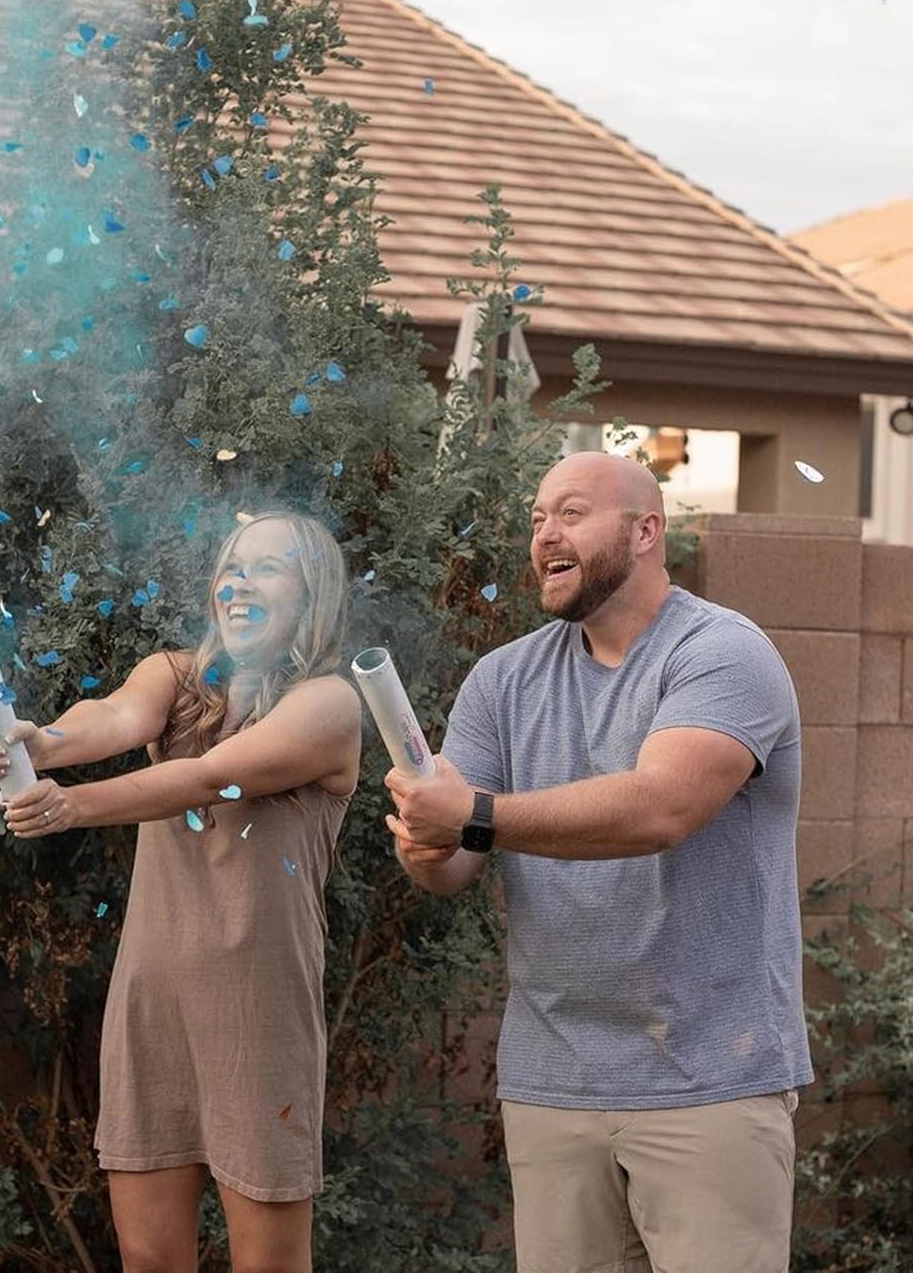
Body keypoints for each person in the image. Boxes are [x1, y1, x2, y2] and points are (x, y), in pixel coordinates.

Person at [385, 452, 812, 1273]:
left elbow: (661, 809)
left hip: (709, 1082)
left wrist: (473, 815)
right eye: (537, 518)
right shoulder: (502, 680)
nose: (545, 533)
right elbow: (454, 867)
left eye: (572, 513)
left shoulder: (724, 653)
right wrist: (426, 843)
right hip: (553, 1084)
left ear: (645, 531)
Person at [0, 511, 361, 1273]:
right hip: (154, 997)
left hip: (259, 1007)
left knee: (268, 1265)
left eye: (268, 569)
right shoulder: (178, 677)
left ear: (312, 595)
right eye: (232, 568)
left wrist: (72, 805)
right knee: (148, 1256)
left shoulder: (329, 706)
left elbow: (212, 777)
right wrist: (41, 741)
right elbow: (116, 714)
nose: (240, 585)